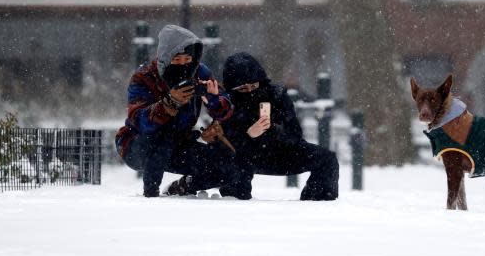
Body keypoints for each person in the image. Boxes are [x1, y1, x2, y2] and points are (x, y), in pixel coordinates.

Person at [115, 24, 250, 198]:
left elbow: (227, 110)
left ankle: (184, 187)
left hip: (179, 144)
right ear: (165, 57)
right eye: (177, 60)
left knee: (227, 166)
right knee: (161, 135)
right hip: (138, 144)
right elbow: (140, 121)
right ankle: (151, 194)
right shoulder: (145, 77)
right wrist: (169, 103)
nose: (183, 65)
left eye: (188, 60)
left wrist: (214, 100)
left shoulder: (199, 73)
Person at [220, 52, 339, 201]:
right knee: (232, 164)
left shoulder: (277, 95)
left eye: (254, 85)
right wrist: (249, 134)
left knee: (327, 159)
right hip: (245, 155)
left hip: (280, 152)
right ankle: (233, 206)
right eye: (243, 88)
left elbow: (295, 133)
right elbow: (225, 142)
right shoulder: (227, 103)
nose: (250, 91)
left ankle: (315, 205)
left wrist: (274, 130)